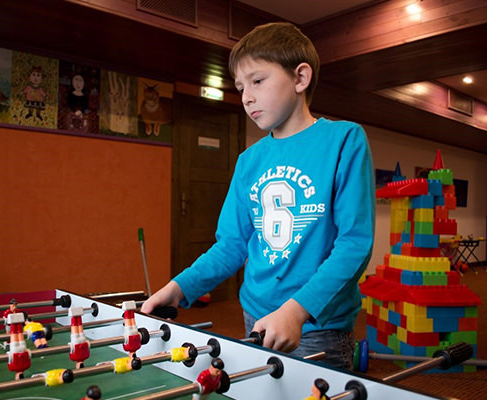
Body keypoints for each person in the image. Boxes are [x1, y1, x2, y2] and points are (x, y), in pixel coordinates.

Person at [141, 22, 375, 369]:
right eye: (240, 87)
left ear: (300, 78)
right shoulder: (249, 160)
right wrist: (179, 287)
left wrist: (297, 311)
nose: (246, 97)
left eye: (257, 81)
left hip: (316, 324)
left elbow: (354, 243)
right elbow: (232, 245)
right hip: (256, 315)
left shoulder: (344, 140)